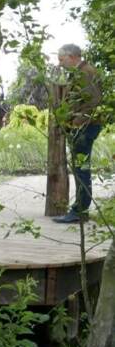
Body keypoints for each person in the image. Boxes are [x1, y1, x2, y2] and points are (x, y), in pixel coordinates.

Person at [53, 44, 103, 224]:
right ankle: (79, 210)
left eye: (61, 59)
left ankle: (79, 211)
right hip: (82, 127)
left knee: (81, 170)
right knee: (80, 169)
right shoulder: (81, 73)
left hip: (84, 128)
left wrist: (74, 125)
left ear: (72, 56)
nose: (60, 64)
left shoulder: (86, 73)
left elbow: (92, 103)